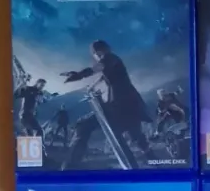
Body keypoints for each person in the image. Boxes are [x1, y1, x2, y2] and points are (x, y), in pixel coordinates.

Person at [60, 39, 151, 168]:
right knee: (133, 134)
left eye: (94, 55)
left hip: (120, 104)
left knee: (84, 126)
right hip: (128, 104)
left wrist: (78, 75)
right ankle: (149, 160)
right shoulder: (113, 60)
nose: (95, 58)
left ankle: (70, 167)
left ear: (97, 52)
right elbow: (104, 76)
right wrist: (92, 86)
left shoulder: (109, 58)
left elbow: (98, 68)